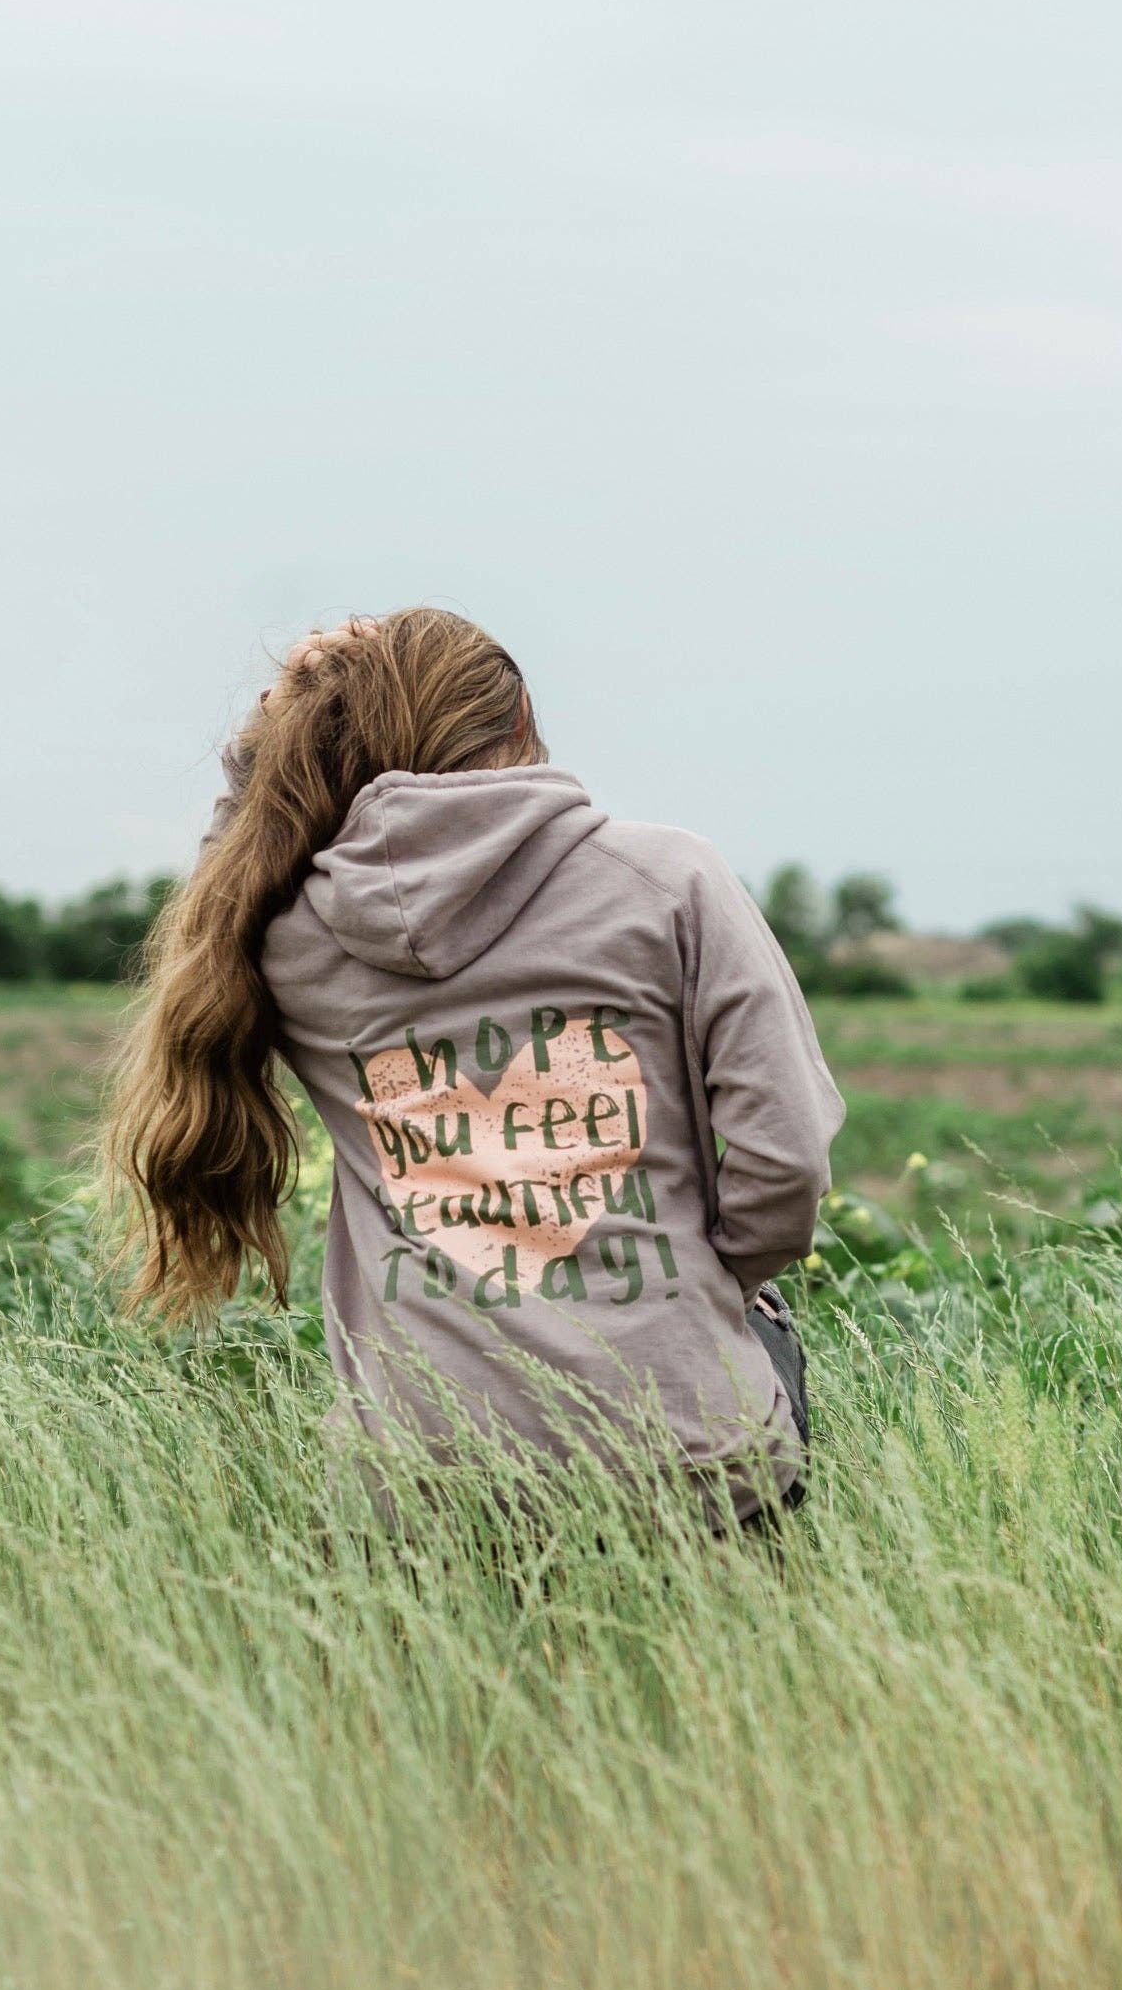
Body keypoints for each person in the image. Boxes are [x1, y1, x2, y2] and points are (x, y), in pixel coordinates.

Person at [103, 607, 844, 1526]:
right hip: (678, 1458)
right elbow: (787, 1161)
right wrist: (706, 1289)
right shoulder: (670, 881)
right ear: (519, 717)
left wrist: (255, 757)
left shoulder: (287, 932)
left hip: (420, 1475)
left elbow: (213, 906)